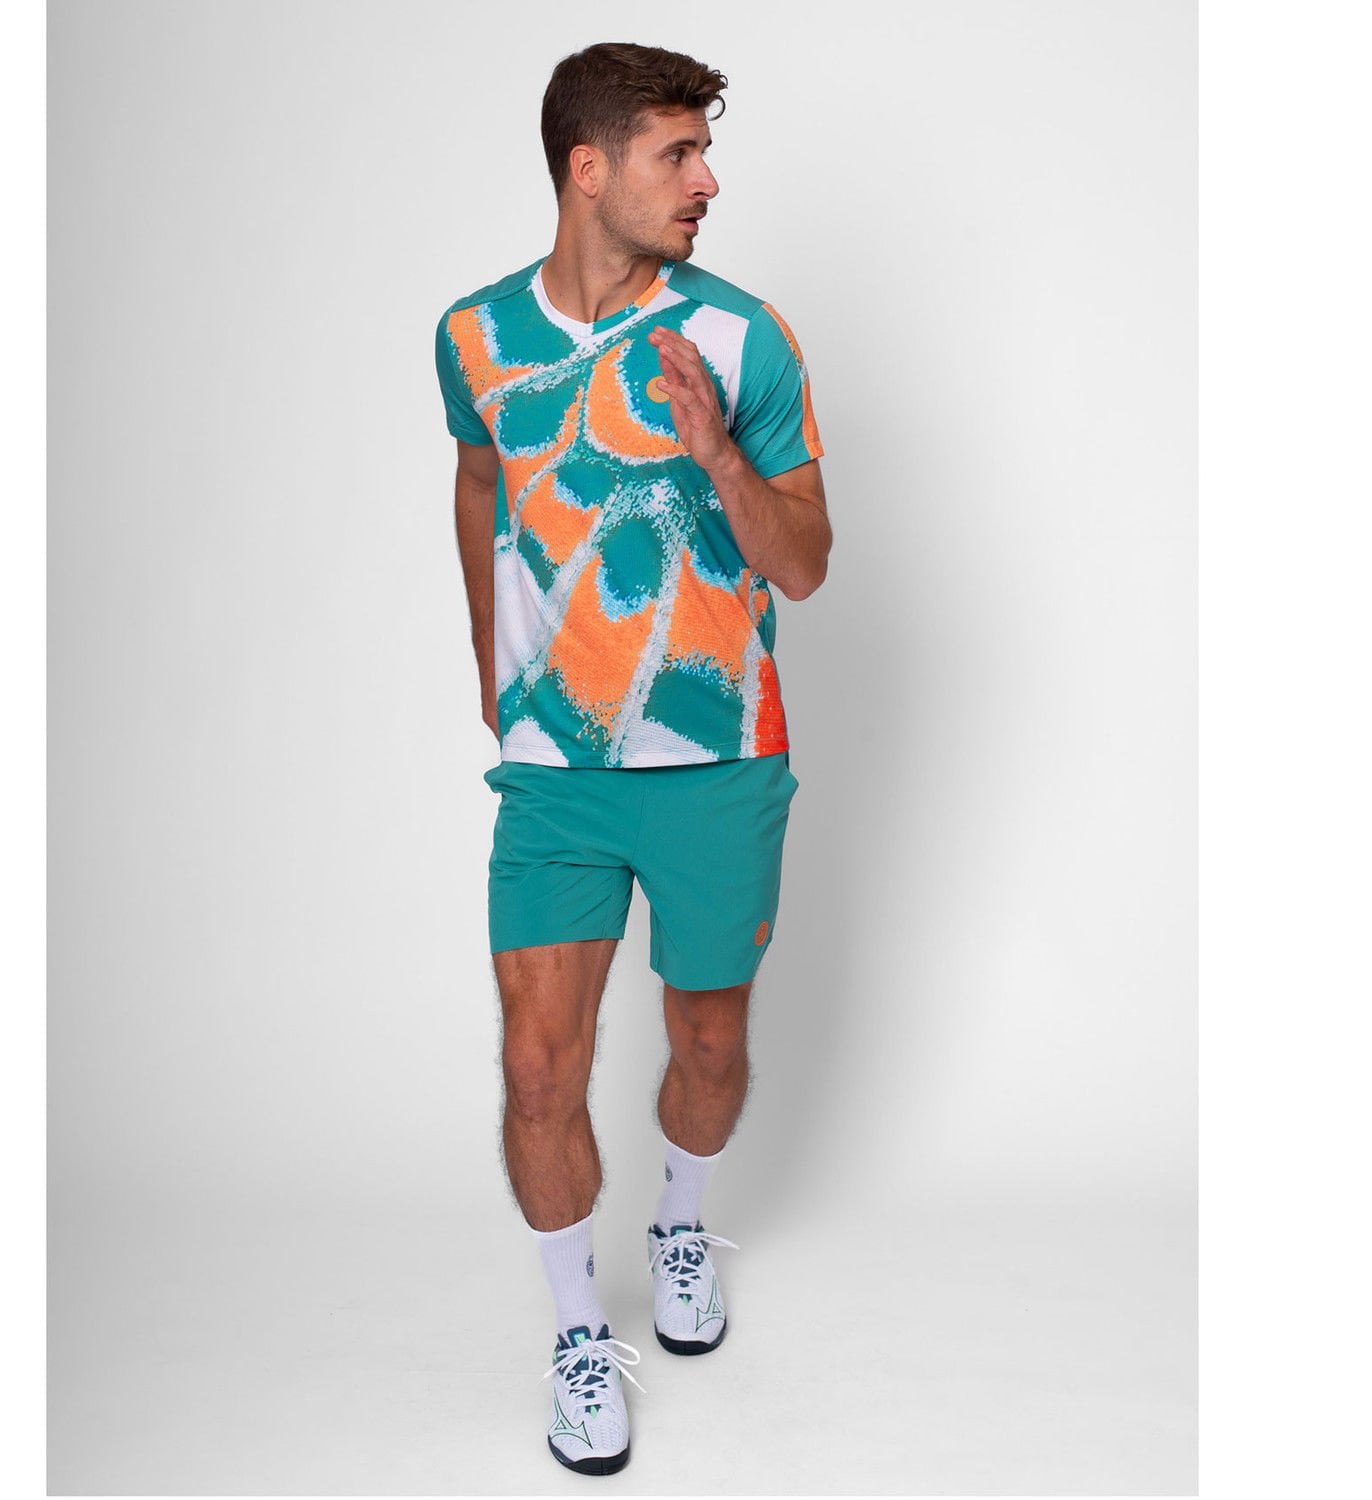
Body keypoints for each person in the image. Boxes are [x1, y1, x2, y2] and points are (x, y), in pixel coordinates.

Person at [433, 40, 831, 1476]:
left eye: (704, 152)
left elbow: (807, 564)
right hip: (556, 772)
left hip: (720, 756)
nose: (707, 180)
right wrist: (490, 656)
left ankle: (680, 1224)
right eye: (679, 153)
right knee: (537, 1065)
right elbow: (480, 475)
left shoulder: (743, 338)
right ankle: (575, 1336)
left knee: (708, 1042)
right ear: (587, 169)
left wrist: (718, 454)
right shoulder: (473, 337)